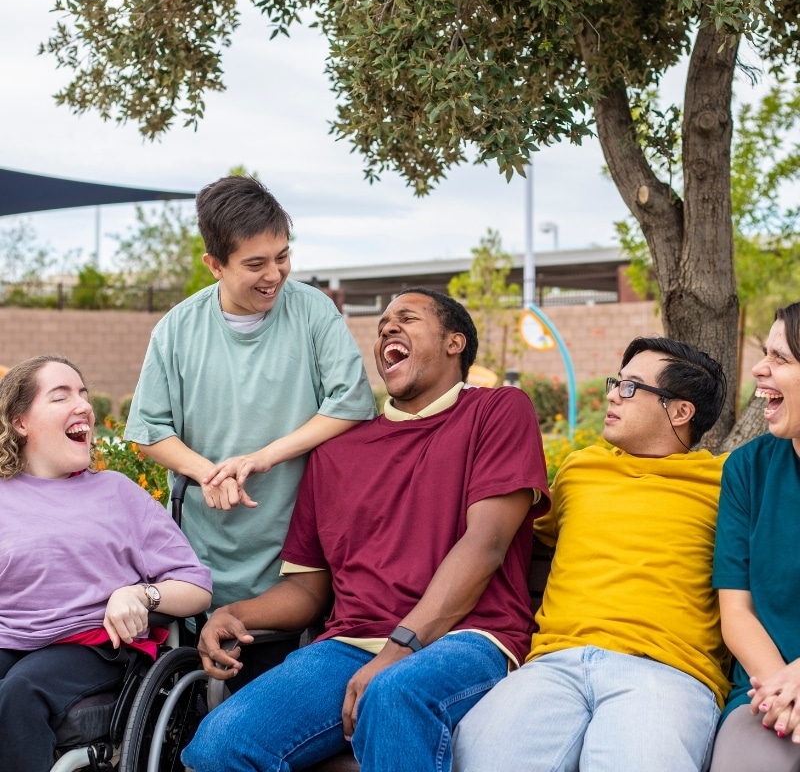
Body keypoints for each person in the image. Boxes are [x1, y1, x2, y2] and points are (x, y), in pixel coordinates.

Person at [180, 288, 550, 772]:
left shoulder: (498, 411)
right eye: (381, 326)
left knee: (393, 695)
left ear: (455, 343)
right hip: (349, 647)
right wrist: (236, 613)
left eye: (407, 319)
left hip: (467, 638)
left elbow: (486, 546)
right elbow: (309, 589)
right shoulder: (336, 452)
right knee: (219, 746)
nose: (387, 329)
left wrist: (398, 650)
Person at [124, 176, 376, 688]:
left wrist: (261, 458)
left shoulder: (312, 311)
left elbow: (351, 404)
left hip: (292, 561)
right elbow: (148, 432)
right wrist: (207, 472)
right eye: (255, 264)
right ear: (214, 265)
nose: (274, 275)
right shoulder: (176, 328)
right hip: (201, 556)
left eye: (282, 257)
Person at [453, 336, 730, 772]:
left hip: (664, 670)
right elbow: (510, 537)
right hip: (553, 664)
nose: (612, 395)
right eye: (616, 382)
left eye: (631, 387)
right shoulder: (580, 469)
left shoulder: (727, 482)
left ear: (680, 411)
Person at [0, 354, 212, 772]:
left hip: (95, 646)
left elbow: (197, 586)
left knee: (19, 694)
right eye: (61, 396)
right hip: (12, 637)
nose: (83, 405)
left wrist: (140, 594)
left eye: (83, 393)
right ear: (21, 421)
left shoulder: (116, 493)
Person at [709, 302, 800, 771]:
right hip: (765, 695)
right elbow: (737, 613)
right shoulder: (748, 470)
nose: (760, 369)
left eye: (781, 358)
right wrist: (784, 692)